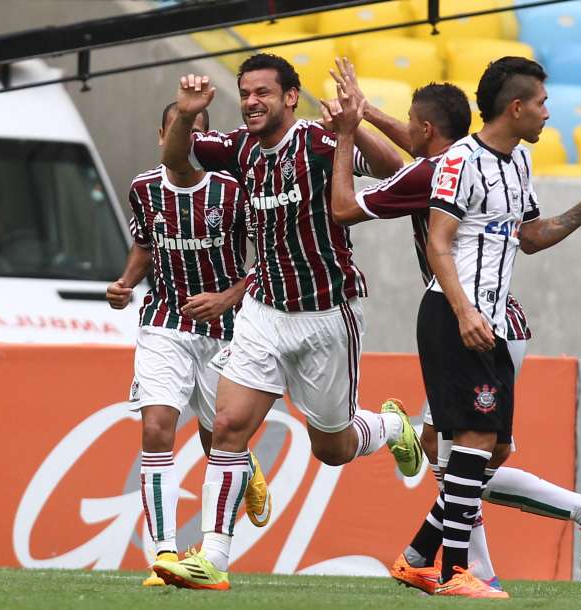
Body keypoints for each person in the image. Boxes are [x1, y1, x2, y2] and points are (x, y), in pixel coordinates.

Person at [322, 59, 581, 596]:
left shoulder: (510, 161)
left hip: (494, 321)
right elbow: (427, 226)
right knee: (467, 449)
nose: (548, 112)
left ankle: (431, 558)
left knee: (477, 452)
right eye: (541, 103)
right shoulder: (455, 162)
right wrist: (357, 122)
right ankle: (460, 569)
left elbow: (528, 236)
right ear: (516, 107)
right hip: (462, 315)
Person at [152, 53, 420, 591]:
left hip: (327, 314)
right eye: (245, 93)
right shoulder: (237, 148)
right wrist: (184, 114)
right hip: (264, 311)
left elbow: (397, 170)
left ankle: (391, 426)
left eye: (263, 93)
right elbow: (176, 158)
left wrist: (355, 124)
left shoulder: (321, 143)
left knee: (332, 449)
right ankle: (213, 558)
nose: (251, 102)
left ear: (291, 97)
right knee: (227, 426)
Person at [106, 103, 270, 588]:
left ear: (208, 142)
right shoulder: (143, 189)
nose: (187, 142)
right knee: (156, 429)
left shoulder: (233, 191)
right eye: (180, 132)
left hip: (226, 330)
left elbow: (269, 257)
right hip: (163, 322)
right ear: (163, 136)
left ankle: (245, 467)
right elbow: (145, 244)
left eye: (197, 134)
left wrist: (226, 298)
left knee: (216, 438)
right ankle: (163, 555)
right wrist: (125, 283)